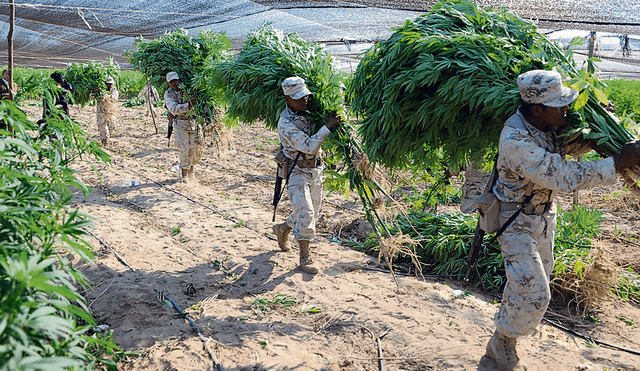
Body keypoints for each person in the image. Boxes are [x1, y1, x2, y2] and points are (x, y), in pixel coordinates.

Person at [479, 69, 640, 370]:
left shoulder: (544, 125)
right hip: (515, 222)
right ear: (538, 108)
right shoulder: (514, 139)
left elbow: (562, 151)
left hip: (542, 219)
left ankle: (501, 347)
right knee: (536, 294)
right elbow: (563, 176)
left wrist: (595, 138)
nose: (566, 108)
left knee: (523, 287)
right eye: (559, 104)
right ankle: (499, 351)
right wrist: (619, 163)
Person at [271, 76, 341, 274]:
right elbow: (308, 146)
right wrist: (328, 126)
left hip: (316, 170)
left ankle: (283, 228)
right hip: (297, 172)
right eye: (298, 98)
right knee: (307, 212)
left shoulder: (310, 112)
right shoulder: (285, 124)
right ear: (287, 99)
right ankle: (305, 257)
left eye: (305, 96)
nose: (304, 101)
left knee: (312, 212)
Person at [164, 71, 203, 182]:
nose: (175, 83)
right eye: (172, 82)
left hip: (194, 122)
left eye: (176, 80)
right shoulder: (168, 94)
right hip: (180, 123)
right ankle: (184, 174)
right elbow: (174, 109)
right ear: (168, 83)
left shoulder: (187, 89)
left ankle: (191, 171)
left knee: (196, 147)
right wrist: (188, 105)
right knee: (184, 148)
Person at [93, 76, 119, 146]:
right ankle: (104, 144)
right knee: (104, 130)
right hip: (101, 113)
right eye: (108, 84)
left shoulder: (114, 90)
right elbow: (91, 96)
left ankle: (105, 140)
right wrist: (94, 91)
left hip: (111, 113)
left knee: (112, 127)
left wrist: (106, 96)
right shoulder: (99, 91)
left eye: (111, 84)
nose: (110, 85)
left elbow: (114, 97)